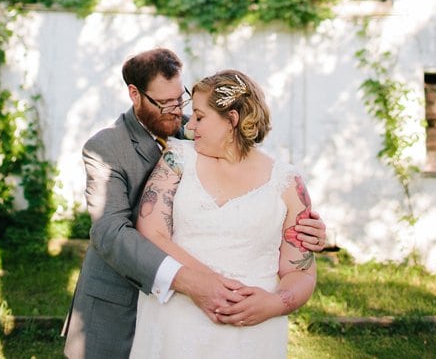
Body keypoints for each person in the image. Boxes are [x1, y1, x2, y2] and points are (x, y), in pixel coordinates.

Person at [63, 49, 326, 359]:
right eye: (166, 103)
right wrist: (198, 282)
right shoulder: (106, 147)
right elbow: (111, 233)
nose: (181, 115)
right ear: (135, 94)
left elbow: (253, 173)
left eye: (181, 100)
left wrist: (302, 229)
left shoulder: (201, 130)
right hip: (125, 300)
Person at [129, 69, 319, 359]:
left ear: (231, 120)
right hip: (176, 322)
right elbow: (151, 232)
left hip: (251, 335)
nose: (190, 127)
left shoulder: (287, 182)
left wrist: (275, 303)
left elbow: (301, 271)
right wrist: (206, 284)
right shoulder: (178, 159)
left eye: (200, 117)